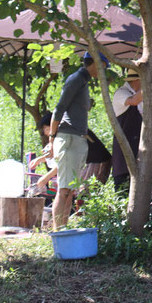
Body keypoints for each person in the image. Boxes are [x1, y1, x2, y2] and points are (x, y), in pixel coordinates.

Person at [49, 52, 104, 230]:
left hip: (78, 139)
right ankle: (58, 232)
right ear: (95, 62)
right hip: (68, 138)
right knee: (64, 190)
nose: (103, 71)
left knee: (70, 191)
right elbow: (59, 108)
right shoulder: (76, 78)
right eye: (103, 66)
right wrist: (51, 138)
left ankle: (64, 230)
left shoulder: (84, 81)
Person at [111, 68, 143, 188]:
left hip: (137, 151)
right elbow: (133, 101)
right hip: (123, 152)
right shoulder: (121, 93)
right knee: (122, 187)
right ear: (136, 81)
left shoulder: (138, 95)